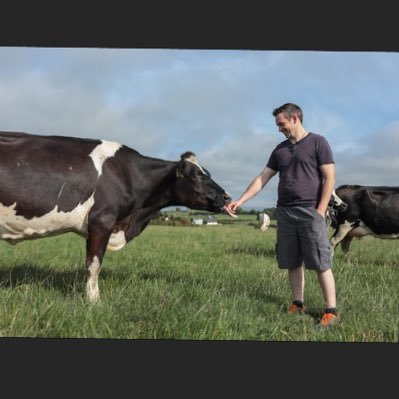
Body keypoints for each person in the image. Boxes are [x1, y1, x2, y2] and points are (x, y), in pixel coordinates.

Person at [227, 103, 340, 328]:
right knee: (291, 261)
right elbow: (263, 178)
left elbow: (329, 178)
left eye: (282, 124)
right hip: (285, 211)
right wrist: (240, 200)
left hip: (310, 210)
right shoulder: (280, 150)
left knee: (320, 261)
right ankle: (297, 304)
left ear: (295, 118)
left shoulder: (318, 142)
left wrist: (320, 210)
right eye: (278, 125)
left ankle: (331, 311)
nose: (279, 128)